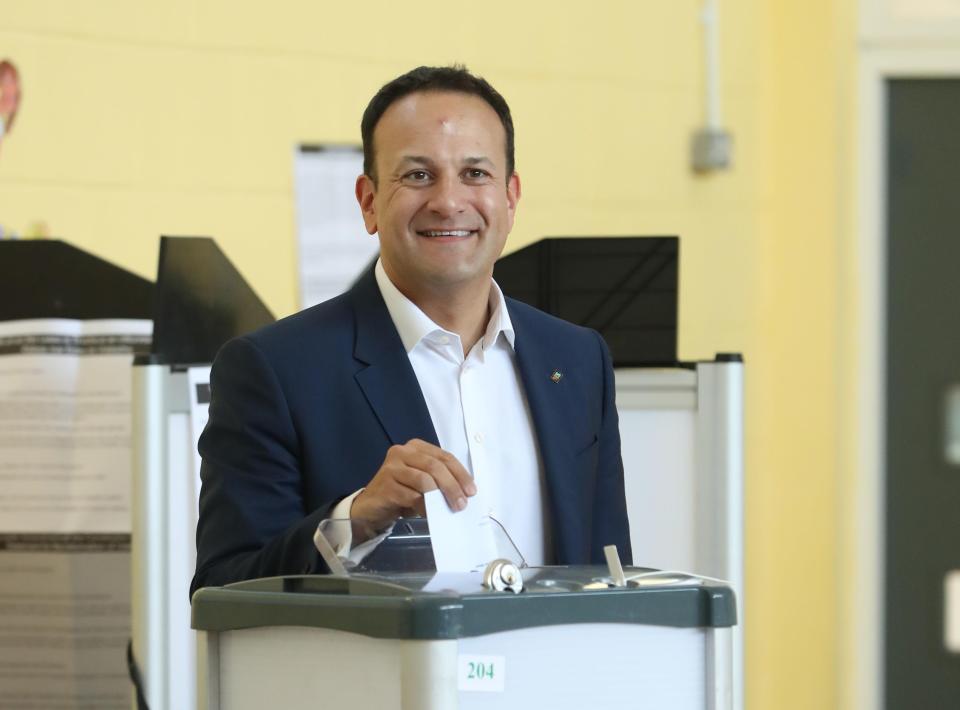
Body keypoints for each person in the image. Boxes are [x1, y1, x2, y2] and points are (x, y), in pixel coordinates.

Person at [191, 66, 631, 596]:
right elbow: (223, 591)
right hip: (384, 680)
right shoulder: (276, 371)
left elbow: (612, 578)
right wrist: (352, 520)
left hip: (555, 678)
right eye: (418, 175)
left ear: (510, 198)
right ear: (369, 201)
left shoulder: (577, 359)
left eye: (475, 173)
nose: (448, 201)